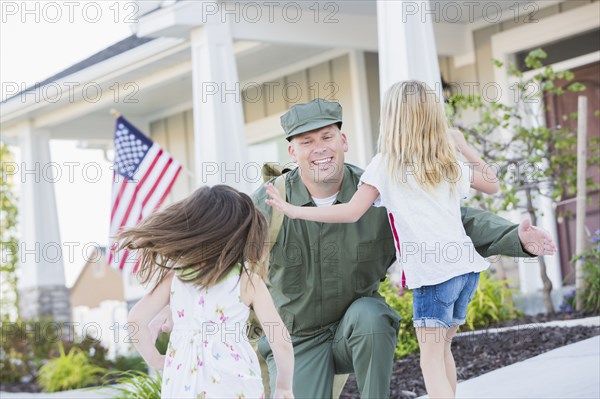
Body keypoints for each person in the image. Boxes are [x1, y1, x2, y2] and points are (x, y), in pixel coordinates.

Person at [251, 97, 556, 399]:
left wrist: (516, 237)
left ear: (343, 140)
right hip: (297, 339)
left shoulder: (379, 185)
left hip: (354, 328)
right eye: (306, 142)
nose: (319, 148)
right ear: (292, 151)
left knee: (374, 317)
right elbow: (225, 264)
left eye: (327, 137)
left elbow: (456, 220)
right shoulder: (268, 204)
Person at [122, 185, 294, 399]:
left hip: (181, 385)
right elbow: (281, 341)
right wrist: (284, 387)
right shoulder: (247, 280)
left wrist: (156, 360)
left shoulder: (176, 278)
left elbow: (135, 320)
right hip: (235, 385)